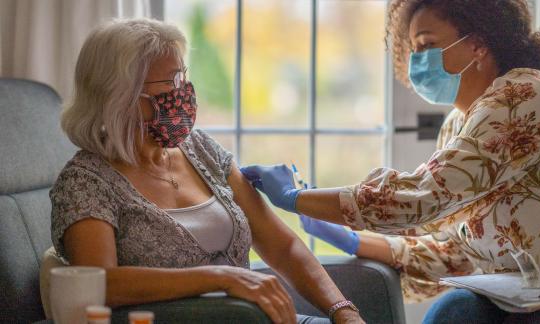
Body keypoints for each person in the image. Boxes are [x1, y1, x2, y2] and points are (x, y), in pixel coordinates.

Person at [240, 0, 540, 323]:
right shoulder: (456, 125)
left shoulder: (528, 94)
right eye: (412, 49)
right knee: (452, 312)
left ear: (478, 44)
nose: (417, 60)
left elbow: (427, 195)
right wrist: (355, 241)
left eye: (427, 45)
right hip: (519, 292)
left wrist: (298, 199)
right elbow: (456, 252)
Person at [49, 18, 364, 324]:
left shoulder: (201, 149)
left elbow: (283, 246)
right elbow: (101, 283)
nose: (183, 92)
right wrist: (218, 277)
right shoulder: (85, 181)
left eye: (183, 77)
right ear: (122, 96)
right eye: (171, 82)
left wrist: (342, 310)